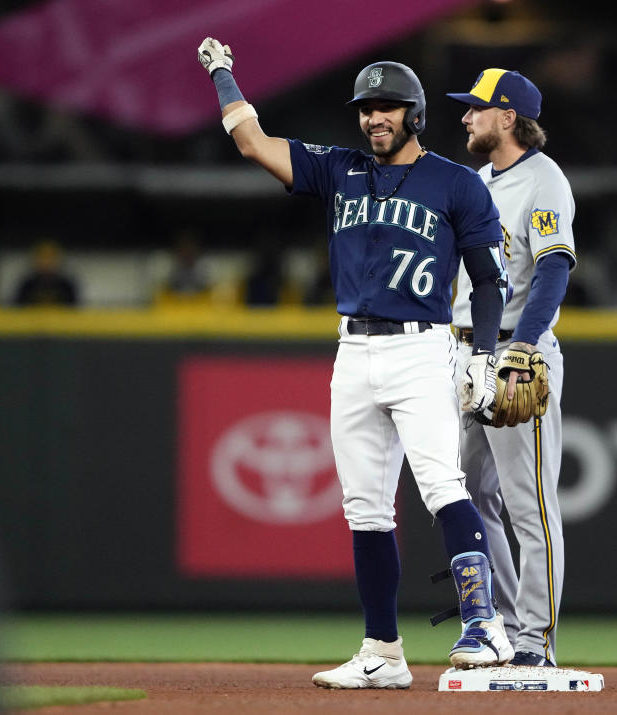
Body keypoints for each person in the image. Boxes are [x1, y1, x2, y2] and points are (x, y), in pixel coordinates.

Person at [197, 38, 514, 688]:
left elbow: (487, 281)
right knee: (366, 508)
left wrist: (484, 353)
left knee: (440, 485)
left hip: (423, 347)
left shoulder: (455, 182)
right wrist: (224, 73)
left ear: (415, 114)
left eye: (388, 108)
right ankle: (383, 651)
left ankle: (485, 626)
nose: (374, 118)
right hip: (353, 349)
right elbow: (254, 142)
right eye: (367, 108)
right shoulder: (337, 168)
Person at [447, 69, 575, 667]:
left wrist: (523, 349)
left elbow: (552, 267)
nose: (466, 117)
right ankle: (495, 624)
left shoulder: (544, 181)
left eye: (476, 108)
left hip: (516, 350)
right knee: (468, 493)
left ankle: (535, 642)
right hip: (468, 352)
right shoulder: (475, 181)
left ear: (507, 117)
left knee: (532, 504)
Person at [13, 239, 79, 306]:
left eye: (50, 257)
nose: (47, 262)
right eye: (43, 257)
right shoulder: (27, 286)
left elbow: (74, 311)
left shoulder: (66, 286)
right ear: (36, 259)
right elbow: (17, 310)